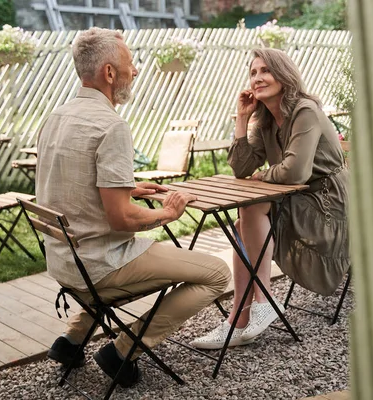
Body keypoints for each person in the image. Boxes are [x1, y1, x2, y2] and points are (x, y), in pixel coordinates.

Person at [36, 27, 231, 386]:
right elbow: (122, 219)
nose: (136, 70)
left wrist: (127, 187)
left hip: (64, 260)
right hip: (100, 266)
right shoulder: (112, 126)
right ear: (110, 73)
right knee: (218, 273)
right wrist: (167, 213)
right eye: (130, 63)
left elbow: (70, 184)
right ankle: (123, 348)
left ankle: (71, 340)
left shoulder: (55, 117)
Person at [190, 48, 350, 349]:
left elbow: (297, 171)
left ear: (284, 75)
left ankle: (253, 308)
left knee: (249, 213)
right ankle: (244, 314)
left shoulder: (305, 111)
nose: (257, 78)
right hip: (296, 197)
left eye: (265, 70)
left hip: (328, 205)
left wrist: (264, 176)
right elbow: (241, 167)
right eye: (253, 72)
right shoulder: (265, 120)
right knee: (244, 221)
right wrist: (241, 118)